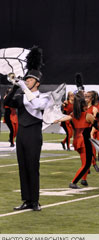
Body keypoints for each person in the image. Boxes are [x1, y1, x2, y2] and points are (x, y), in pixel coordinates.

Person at [4, 46, 49, 211]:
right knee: (22, 167)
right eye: (26, 79)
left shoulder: (44, 97)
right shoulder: (22, 95)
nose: (27, 81)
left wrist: (22, 88)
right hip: (21, 134)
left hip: (34, 134)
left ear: (37, 83)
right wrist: (15, 86)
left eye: (29, 80)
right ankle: (26, 200)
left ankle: (35, 201)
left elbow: (36, 105)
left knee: (32, 166)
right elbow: (7, 104)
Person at [55, 92, 99, 189]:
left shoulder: (75, 114)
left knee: (85, 163)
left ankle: (82, 180)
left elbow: (68, 117)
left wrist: (58, 120)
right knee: (86, 164)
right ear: (83, 106)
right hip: (84, 141)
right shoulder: (88, 116)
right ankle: (74, 182)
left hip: (76, 141)